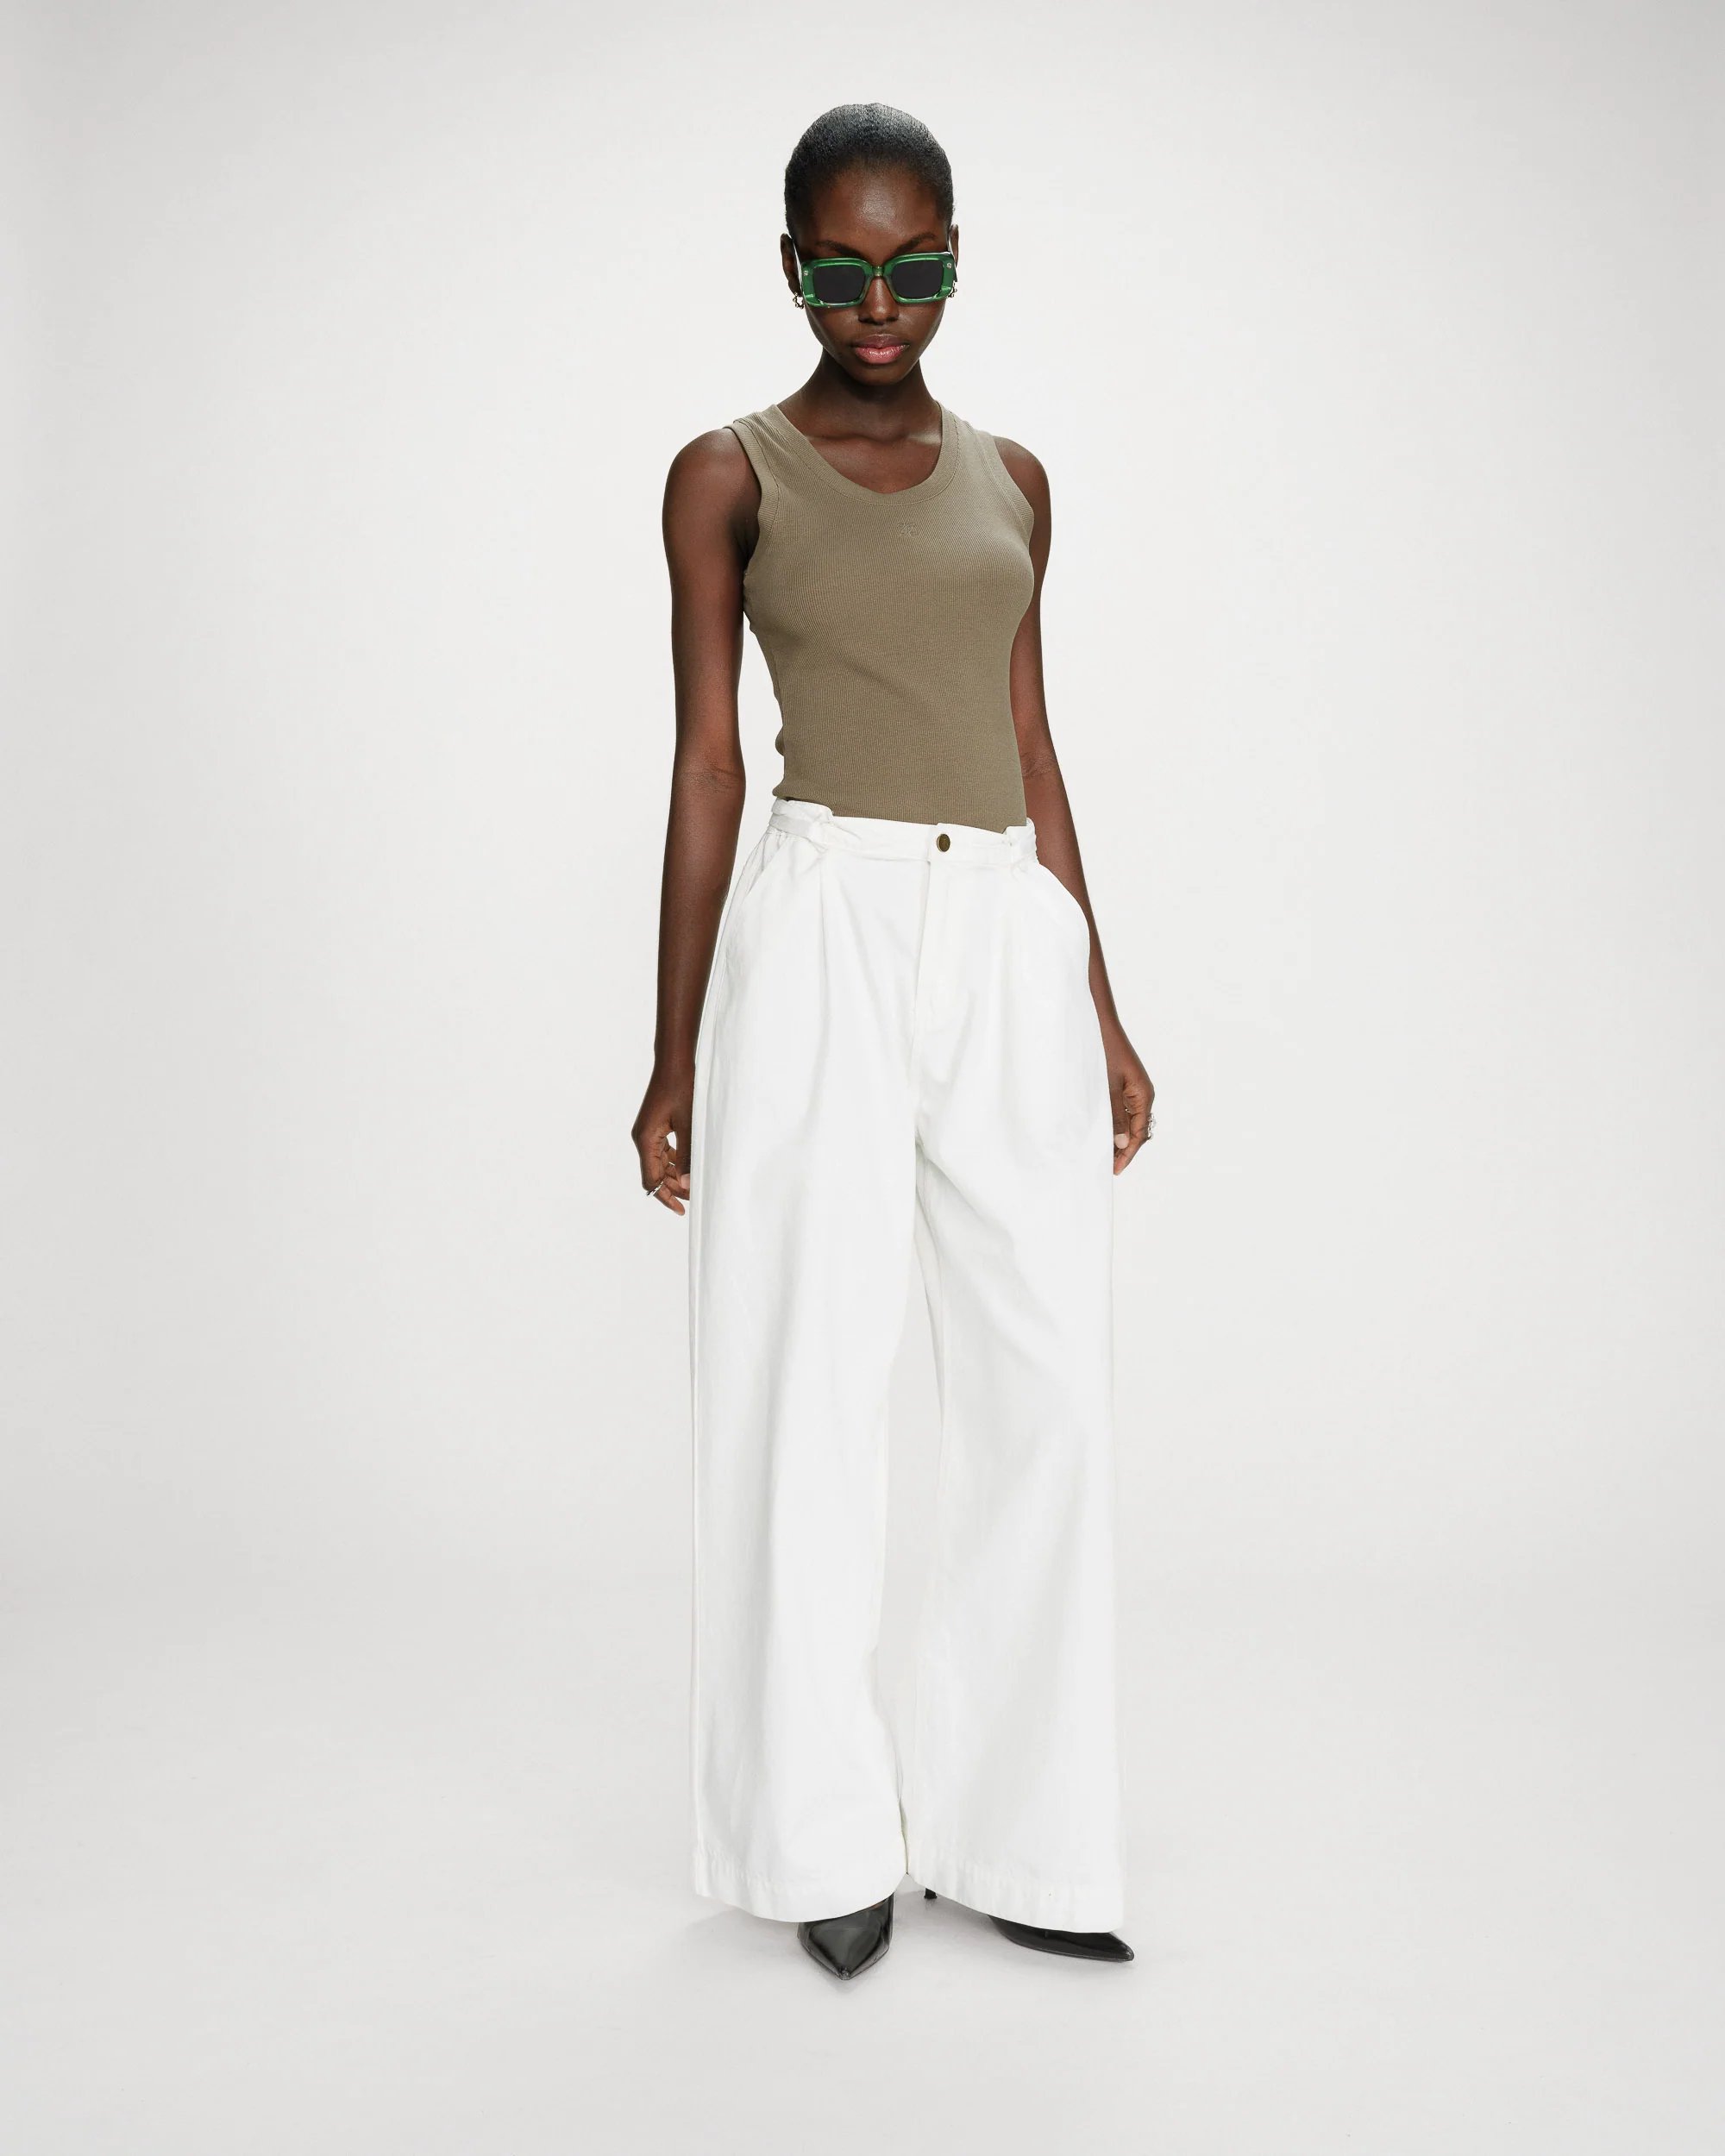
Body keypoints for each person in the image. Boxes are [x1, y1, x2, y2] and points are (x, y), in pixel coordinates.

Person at [632, 103, 1155, 1981]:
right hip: (823, 922)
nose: (880, 304)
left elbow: (1031, 740)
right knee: (807, 1383)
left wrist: (1096, 995)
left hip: (1001, 924)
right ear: (791, 263)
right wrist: (674, 1048)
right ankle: (823, 1839)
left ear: (953, 257)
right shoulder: (728, 472)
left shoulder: (1016, 477)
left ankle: (1023, 1836)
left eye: (915, 265)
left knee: (1047, 1391)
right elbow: (708, 764)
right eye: (844, 270)